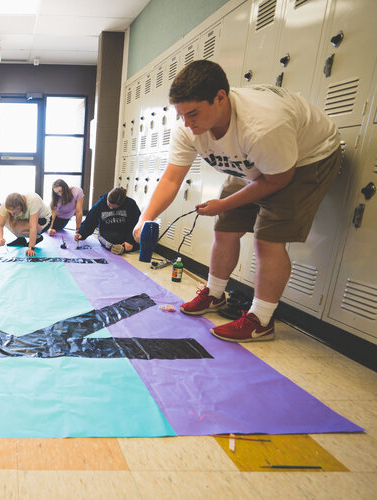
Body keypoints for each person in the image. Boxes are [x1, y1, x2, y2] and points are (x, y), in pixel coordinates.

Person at [132, 60, 341, 343]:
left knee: (268, 239)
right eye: (181, 115)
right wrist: (146, 217)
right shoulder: (188, 128)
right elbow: (171, 179)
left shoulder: (263, 126)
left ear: (220, 98)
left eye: (193, 113)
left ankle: (261, 320)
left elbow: (276, 181)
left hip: (305, 158)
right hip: (252, 163)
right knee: (226, 228)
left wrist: (222, 205)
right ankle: (215, 295)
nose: (187, 123)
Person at [75, 186, 140, 255]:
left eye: (114, 207)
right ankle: (118, 248)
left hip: (124, 233)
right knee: (109, 243)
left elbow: (135, 224)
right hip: (107, 234)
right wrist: (81, 233)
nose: (111, 208)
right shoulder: (101, 204)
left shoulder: (131, 204)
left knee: (138, 242)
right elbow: (90, 221)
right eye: (109, 205)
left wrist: (130, 241)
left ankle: (123, 247)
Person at [0, 192, 52, 257]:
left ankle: (37, 237)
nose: (12, 215)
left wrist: (31, 248)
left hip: (43, 220)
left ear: (20, 207)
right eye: (10, 212)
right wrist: (0, 239)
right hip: (27, 219)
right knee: (5, 219)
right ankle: (21, 239)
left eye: (14, 212)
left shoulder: (33, 201)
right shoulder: (5, 205)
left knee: (18, 228)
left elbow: (33, 227)